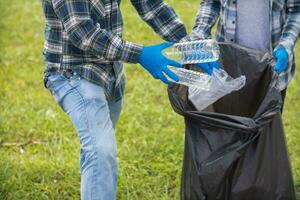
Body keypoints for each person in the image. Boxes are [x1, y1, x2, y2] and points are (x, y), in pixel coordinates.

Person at [42, 0, 187, 199]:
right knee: (101, 151)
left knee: (97, 150)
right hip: (72, 73)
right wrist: (141, 54)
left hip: (109, 74)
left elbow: (151, 6)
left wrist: (189, 46)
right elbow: (82, 32)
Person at [183, 0, 300, 102]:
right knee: (226, 123)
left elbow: (296, 9)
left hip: (272, 69)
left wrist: (285, 45)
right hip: (228, 68)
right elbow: (211, 2)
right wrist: (200, 35)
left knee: (269, 126)